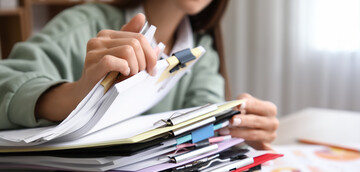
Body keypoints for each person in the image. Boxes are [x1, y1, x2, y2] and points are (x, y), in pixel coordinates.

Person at [0, 0, 278, 150]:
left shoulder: (202, 50)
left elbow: (203, 119)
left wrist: (234, 128)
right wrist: (77, 96)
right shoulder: (82, 24)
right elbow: (6, 81)